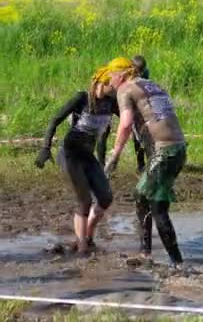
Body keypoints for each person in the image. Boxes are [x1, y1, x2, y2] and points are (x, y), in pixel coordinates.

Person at [103, 57, 186, 268]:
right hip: (177, 149)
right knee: (149, 200)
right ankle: (148, 253)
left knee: (148, 199)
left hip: (165, 152)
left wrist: (115, 154)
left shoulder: (125, 89)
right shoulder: (151, 85)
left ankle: (177, 263)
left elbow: (125, 124)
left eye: (111, 76)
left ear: (120, 74)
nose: (109, 81)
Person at [34, 67, 115, 255]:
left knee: (105, 198)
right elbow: (55, 120)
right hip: (70, 153)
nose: (116, 88)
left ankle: (88, 236)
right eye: (113, 85)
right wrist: (45, 148)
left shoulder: (112, 102)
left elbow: (129, 118)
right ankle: (82, 248)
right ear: (102, 83)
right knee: (84, 201)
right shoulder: (82, 98)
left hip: (88, 155)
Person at [98, 55, 151, 173]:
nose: (137, 76)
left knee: (137, 128)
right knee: (104, 130)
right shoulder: (116, 70)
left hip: (125, 97)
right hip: (109, 98)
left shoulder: (144, 73)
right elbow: (101, 89)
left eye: (140, 73)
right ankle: (101, 167)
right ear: (130, 68)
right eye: (136, 72)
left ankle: (141, 165)